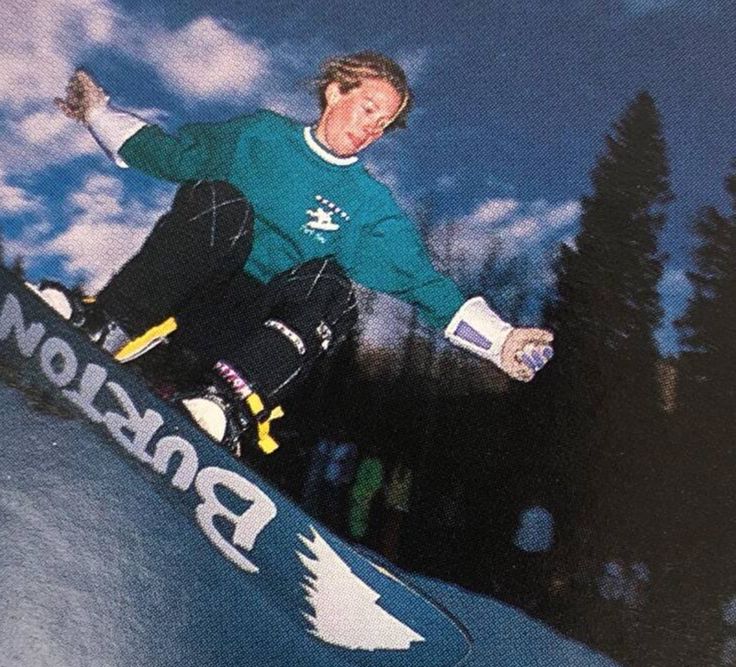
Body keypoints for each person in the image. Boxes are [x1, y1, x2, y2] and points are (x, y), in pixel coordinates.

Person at [48, 51, 554, 455]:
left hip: (258, 330)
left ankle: (227, 403)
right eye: (368, 110)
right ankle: (107, 323)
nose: (371, 129)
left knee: (332, 285)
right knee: (221, 203)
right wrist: (97, 113)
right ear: (336, 92)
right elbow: (170, 153)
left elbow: (422, 283)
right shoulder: (259, 137)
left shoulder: (369, 207)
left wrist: (501, 341)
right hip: (193, 291)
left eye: (384, 124)